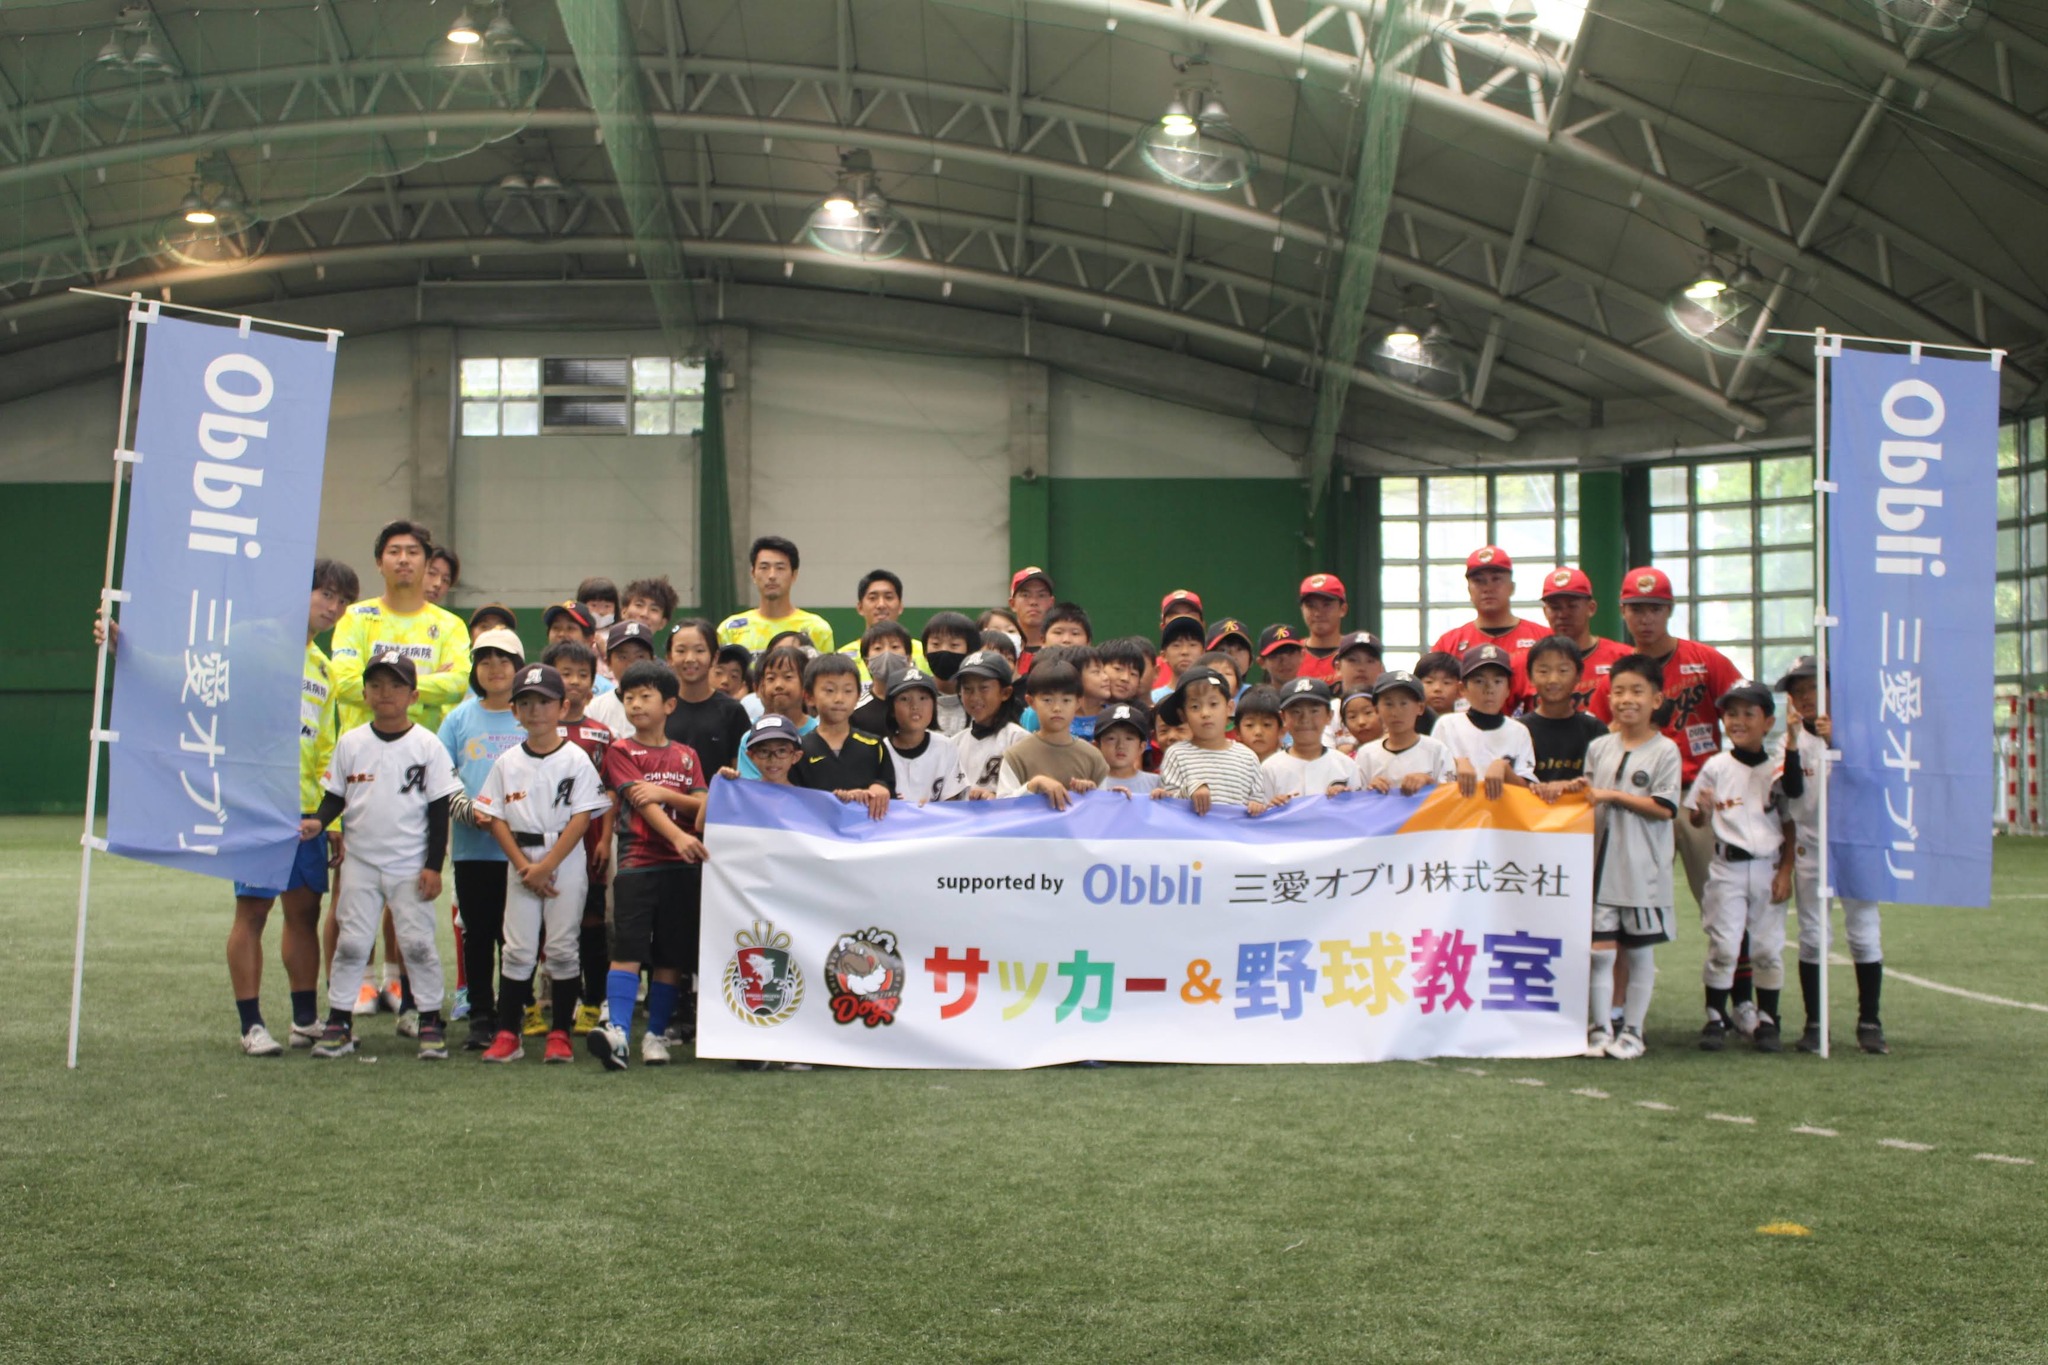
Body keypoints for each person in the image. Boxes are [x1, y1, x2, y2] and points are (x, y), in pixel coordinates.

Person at [97, 559, 362, 1054]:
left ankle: (305, 1019)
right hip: (255, 803)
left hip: (304, 814)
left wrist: (330, 818)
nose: (334, 608)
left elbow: (326, 747)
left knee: (304, 912)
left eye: (343, 601)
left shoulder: (323, 667)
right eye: (326, 595)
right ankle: (251, 1026)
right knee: (253, 911)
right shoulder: (250, 638)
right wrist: (124, 649)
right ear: (299, 592)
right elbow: (188, 675)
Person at [326, 519, 472, 1018]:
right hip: (361, 770)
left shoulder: (448, 625)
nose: (404, 559)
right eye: (394, 551)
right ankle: (355, 988)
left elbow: (458, 684)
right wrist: (423, 684)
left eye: (413, 551)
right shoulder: (357, 617)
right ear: (379, 562)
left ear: (427, 563)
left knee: (411, 887)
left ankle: (401, 987)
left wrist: (393, 689)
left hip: (419, 770)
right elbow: (346, 682)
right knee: (349, 887)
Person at [303, 653, 463, 1060]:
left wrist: (433, 866)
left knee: (418, 943)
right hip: (360, 861)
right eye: (375, 685)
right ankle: (339, 1020)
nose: (384, 693)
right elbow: (335, 796)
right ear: (364, 694)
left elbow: (439, 810)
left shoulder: (427, 745)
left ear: (413, 695)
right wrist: (319, 821)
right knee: (352, 943)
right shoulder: (351, 742)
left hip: (410, 862)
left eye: (395, 685)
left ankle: (430, 1018)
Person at [474, 664, 611, 1064]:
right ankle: (508, 1033)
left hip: (562, 857)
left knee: (562, 947)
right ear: (514, 710)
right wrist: (524, 866)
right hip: (520, 858)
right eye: (526, 702)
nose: (535, 710)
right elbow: (495, 818)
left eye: (544, 702)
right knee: (517, 949)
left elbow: (582, 818)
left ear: (562, 707)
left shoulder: (576, 759)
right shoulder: (506, 762)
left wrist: (547, 865)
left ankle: (560, 1033)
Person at [589, 661, 709, 1070]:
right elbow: (642, 803)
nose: (636, 704)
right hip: (637, 865)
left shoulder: (688, 756)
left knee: (669, 957)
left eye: (645, 696)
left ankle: (655, 1035)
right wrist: (677, 835)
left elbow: (701, 807)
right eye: (629, 697)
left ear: (670, 704)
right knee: (627, 949)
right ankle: (619, 1033)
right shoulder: (621, 751)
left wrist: (666, 794)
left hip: (682, 869)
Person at [1775, 657, 1887, 1054]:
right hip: (1811, 842)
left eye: (1812, 688)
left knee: (1864, 931)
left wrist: (1836, 741)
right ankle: (1814, 1023)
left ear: (1831, 690)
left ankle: (1870, 1021)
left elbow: (1872, 780)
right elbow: (1791, 790)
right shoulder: (1789, 739)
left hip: (1856, 842)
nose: (1805, 697)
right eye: (1797, 692)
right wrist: (1793, 742)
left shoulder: (1858, 731)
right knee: (1812, 934)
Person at [1579, 653, 1682, 1060]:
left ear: (1656, 699)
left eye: (1637, 691)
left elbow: (1665, 809)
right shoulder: (1599, 747)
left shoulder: (1666, 751)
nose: (1626, 700)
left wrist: (1614, 795)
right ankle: (1600, 1028)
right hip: (1601, 869)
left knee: (1639, 953)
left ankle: (1634, 1032)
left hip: (1643, 870)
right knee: (1599, 954)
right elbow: (1586, 796)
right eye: (1618, 691)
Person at [1689, 679, 1800, 1053]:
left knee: (1767, 948)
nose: (1738, 721)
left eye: (1748, 714)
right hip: (1728, 867)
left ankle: (1768, 1019)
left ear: (1768, 722)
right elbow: (1697, 819)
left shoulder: (1777, 769)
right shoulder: (1716, 766)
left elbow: (1789, 823)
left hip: (1767, 867)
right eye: (1731, 713)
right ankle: (1715, 1016)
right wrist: (1703, 811)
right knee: (1724, 944)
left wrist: (1785, 871)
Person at [438, 627, 527, 1048]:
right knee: (477, 934)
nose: (495, 669)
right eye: (485, 661)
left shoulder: (531, 713)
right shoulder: (458, 718)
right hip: (473, 848)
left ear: (518, 667)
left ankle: (513, 1013)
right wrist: (469, 811)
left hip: (522, 850)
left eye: (504, 661)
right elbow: (441, 775)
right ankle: (480, 1014)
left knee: (517, 936)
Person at [541, 639, 615, 1036]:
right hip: (543, 842)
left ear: (593, 681)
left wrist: (604, 840)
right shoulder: (538, 729)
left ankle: (593, 1000)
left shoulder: (601, 734)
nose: (573, 681)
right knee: (544, 920)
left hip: (591, 841)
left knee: (591, 921)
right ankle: (550, 999)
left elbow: (611, 791)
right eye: (564, 673)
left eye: (582, 674)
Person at [790, 653, 894, 820]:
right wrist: (835, 800)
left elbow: (890, 789)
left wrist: (881, 788)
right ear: (809, 697)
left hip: (866, 831)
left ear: (858, 696)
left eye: (848, 691)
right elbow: (793, 801)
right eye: (829, 690)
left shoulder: (874, 745)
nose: (839, 699)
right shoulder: (799, 750)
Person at [1153, 666, 1269, 815]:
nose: (1205, 713)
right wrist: (1191, 790)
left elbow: (1258, 802)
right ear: (1183, 715)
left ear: (1229, 708)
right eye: (1195, 707)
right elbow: (1168, 806)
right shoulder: (1176, 755)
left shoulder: (1248, 758)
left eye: (1213, 704)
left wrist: (1256, 806)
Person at [996, 659, 1109, 808]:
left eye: (1066, 700)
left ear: (1078, 702)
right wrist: (1033, 785)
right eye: (1047, 700)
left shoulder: (1093, 758)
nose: (1057, 708)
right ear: (1031, 702)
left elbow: (1104, 810)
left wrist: (1091, 793)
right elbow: (1002, 808)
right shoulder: (1016, 756)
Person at [1431, 644, 1534, 800]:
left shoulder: (1519, 731)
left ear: (1508, 688)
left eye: (1497, 681)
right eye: (1479, 681)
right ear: (1462, 689)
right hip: (1457, 812)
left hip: (1502, 813)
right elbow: (1429, 774)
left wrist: (1505, 769)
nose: (1489, 689)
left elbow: (1527, 792)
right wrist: (1455, 763)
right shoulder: (1447, 725)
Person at [1430, 546, 1547, 676]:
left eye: (1496, 579)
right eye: (1479, 581)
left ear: (1512, 587)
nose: (1488, 588)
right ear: (1469, 590)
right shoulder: (1448, 644)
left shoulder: (1543, 638)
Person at [1532, 566, 1631, 719]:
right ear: (1545, 612)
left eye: (1572, 606)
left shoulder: (1623, 658)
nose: (1563, 614)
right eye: (1555, 608)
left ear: (1591, 608)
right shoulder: (1531, 663)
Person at [1521, 636, 1611, 801]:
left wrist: (1573, 786)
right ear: (1530, 676)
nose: (1553, 679)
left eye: (1563, 671)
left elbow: (1606, 782)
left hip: (1582, 815)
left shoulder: (1594, 729)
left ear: (1578, 675)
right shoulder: (1519, 730)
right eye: (1543, 671)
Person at [720, 535, 835, 654]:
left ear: (794, 575)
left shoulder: (817, 629)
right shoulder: (730, 629)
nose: (772, 576)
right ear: (753, 574)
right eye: (764, 567)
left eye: (780, 568)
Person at [1261, 677, 1358, 801]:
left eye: (1314, 711)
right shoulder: (1270, 768)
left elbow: (1358, 808)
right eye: (1296, 712)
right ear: (1283, 717)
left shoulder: (1346, 765)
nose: (1305, 719)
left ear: (1329, 716)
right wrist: (1273, 806)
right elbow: (1261, 809)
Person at [1355, 671, 1453, 794]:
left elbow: (1450, 795)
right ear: (1376, 710)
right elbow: (1355, 797)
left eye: (1404, 703)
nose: (1396, 712)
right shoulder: (1366, 754)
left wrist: (1429, 782)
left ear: (1420, 708)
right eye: (1389, 704)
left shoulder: (1437, 750)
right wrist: (1370, 789)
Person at [883, 665, 966, 804]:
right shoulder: (880, 751)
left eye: (923, 698)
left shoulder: (946, 747)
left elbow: (953, 802)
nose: (915, 706)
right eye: (904, 699)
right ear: (891, 709)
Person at [733, 645, 817, 781]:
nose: (778, 685)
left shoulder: (819, 732)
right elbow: (749, 788)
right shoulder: (751, 737)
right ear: (761, 687)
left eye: (788, 677)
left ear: (805, 684)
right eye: (771, 678)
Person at [955, 649, 1029, 799]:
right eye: (967, 689)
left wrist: (995, 798)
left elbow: (1030, 793)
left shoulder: (1018, 739)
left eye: (983, 688)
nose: (974, 697)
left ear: (1005, 693)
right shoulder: (954, 743)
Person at [839, 569, 929, 677]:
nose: (881, 605)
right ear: (860, 607)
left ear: (900, 606)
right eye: (873, 598)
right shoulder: (843, 657)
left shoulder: (924, 652)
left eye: (888, 597)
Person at [586, 620, 659, 738]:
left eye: (640, 656)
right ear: (608, 662)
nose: (631, 664)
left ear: (653, 661)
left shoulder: (663, 707)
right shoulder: (594, 709)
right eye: (623, 657)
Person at [919, 611, 980, 737]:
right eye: (936, 644)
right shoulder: (916, 696)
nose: (944, 650)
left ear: (970, 652)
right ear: (925, 652)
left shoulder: (980, 698)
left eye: (954, 645)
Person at [1095, 702, 1158, 796]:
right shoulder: (1092, 785)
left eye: (1129, 738)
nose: (1121, 746)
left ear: (1142, 747)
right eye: (1111, 738)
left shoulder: (1156, 784)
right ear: (1097, 746)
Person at [1148, 590, 1206, 691]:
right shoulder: (1151, 671)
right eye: (1174, 615)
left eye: (1190, 614)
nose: (1182, 618)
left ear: (1202, 625)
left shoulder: (1218, 667)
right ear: (1163, 627)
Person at [1295, 574, 1348, 680]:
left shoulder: (1357, 652)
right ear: (1302, 610)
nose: (1318, 613)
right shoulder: (1291, 654)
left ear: (1343, 609)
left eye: (1326, 605)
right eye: (1310, 606)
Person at [1150, 615, 1208, 702]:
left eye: (1192, 645)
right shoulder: (1154, 699)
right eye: (1176, 645)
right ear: (1163, 655)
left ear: (1203, 653)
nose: (1185, 651)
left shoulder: (1213, 695)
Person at [1007, 566, 1057, 657]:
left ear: (1051, 602)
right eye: (1025, 595)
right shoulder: (1003, 649)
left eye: (1041, 595)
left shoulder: (1060, 648)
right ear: (1012, 604)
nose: (1033, 602)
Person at [1412, 651, 1461, 735]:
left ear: (1460, 688)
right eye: (1429, 682)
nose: (1437, 688)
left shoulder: (1465, 725)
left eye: (1446, 682)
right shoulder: (1408, 724)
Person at [1232, 685, 1285, 763]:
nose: (1258, 732)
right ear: (1237, 732)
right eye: (1249, 725)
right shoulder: (1231, 763)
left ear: (1281, 730)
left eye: (1266, 724)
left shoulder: (1292, 761)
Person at [1205, 620, 1254, 695]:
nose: (1232, 657)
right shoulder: (1194, 694)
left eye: (1239, 649)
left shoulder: (1258, 698)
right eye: (1223, 650)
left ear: (1251, 659)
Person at [711, 643, 758, 715]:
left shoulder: (739, 715)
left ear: (741, 684)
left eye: (734, 676)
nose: (725, 680)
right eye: (718, 673)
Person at [1335, 690, 1381, 754]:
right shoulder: (1345, 757)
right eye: (1352, 717)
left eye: (1368, 712)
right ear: (1345, 723)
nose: (1361, 722)